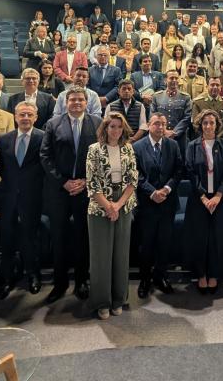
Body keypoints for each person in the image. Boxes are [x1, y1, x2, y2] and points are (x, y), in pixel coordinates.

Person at [40, 88, 102, 303]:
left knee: (83, 237)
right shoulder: (53, 123)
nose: (76, 102)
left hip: (86, 190)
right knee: (59, 237)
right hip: (60, 190)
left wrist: (86, 181)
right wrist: (63, 181)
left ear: (87, 102)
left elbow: (102, 155)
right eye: (72, 99)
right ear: (65, 103)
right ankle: (60, 282)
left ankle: (82, 280)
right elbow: (45, 155)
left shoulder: (97, 122)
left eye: (80, 99)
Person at [85, 113, 138, 320]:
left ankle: (119, 299)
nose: (115, 130)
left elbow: (133, 179)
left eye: (119, 127)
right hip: (100, 206)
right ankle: (102, 302)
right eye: (112, 127)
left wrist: (118, 204)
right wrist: (108, 206)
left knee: (121, 255)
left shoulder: (128, 149)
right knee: (101, 257)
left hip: (123, 204)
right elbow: (92, 183)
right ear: (105, 129)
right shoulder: (93, 150)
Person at [0, 102, 46, 299]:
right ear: (15, 117)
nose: (25, 118)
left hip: (32, 197)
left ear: (36, 117)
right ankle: (6, 278)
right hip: (8, 198)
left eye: (29, 115)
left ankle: (33, 274)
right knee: (6, 239)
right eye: (22, 114)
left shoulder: (43, 137)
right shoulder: (4, 139)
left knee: (30, 238)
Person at [184, 109, 223, 294]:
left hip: (219, 198)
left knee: (217, 237)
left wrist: (218, 195)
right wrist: (204, 197)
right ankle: (201, 274)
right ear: (200, 125)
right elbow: (190, 172)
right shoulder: (192, 145)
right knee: (199, 237)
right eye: (205, 123)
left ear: (217, 125)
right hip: (199, 199)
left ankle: (214, 274)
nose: (208, 126)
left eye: (211, 122)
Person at [133, 112, 182, 298]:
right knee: (146, 244)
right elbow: (136, 174)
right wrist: (152, 192)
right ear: (149, 125)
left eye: (163, 124)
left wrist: (167, 189)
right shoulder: (137, 147)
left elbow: (178, 171)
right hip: (147, 204)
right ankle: (145, 279)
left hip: (167, 203)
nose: (160, 127)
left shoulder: (173, 145)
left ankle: (161, 276)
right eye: (156, 124)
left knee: (164, 242)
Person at [151, 70, 193, 152]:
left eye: (176, 78)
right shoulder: (157, 96)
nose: (174, 80)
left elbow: (187, 117)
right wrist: (164, 131)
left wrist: (174, 132)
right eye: (171, 78)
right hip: (161, 136)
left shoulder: (185, 97)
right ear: (165, 80)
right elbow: (153, 115)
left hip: (180, 138)